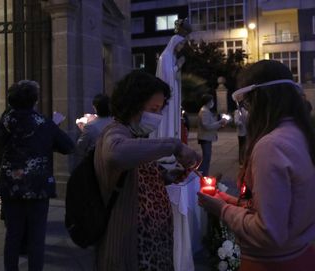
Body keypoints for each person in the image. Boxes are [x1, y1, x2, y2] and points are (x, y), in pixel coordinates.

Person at [198, 60, 315, 271]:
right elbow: (280, 207)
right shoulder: (302, 134)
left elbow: (268, 233)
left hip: (272, 263)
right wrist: (230, 200)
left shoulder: (271, 146)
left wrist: (222, 209)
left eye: (245, 104)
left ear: (260, 101)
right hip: (303, 256)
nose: (244, 112)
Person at [94, 70, 201, 271]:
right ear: (133, 104)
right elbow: (116, 154)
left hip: (150, 246)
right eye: (154, 109)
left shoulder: (132, 134)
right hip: (130, 247)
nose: (158, 116)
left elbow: (135, 175)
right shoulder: (115, 132)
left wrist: (165, 177)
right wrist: (174, 146)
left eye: (160, 110)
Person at [0, 80, 75, 271]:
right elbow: (68, 146)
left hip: (11, 185)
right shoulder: (44, 123)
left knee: (13, 235)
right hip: (37, 186)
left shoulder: (6, 122)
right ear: (35, 100)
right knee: (36, 236)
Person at [155, 34, 187, 139]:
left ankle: (172, 138)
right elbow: (168, 75)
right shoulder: (165, 56)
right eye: (181, 44)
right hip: (168, 92)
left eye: (183, 44)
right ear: (174, 43)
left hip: (174, 90)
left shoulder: (172, 56)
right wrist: (179, 65)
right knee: (168, 116)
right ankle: (166, 138)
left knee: (173, 117)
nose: (182, 46)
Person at [75, 94, 113, 164]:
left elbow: (80, 148)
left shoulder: (90, 126)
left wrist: (83, 130)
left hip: (96, 163)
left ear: (95, 108)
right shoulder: (116, 123)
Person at [197, 94, 227, 176]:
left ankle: (204, 175)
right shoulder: (204, 111)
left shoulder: (206, 111)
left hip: (207, 137)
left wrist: (220, 123)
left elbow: (211, 124)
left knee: (207, 157)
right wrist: (220, 122)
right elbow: (207, 126)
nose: (212, 103)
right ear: (208, 102)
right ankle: (200, 174)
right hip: (205, 137)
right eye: (211, 101)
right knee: (206, 158)